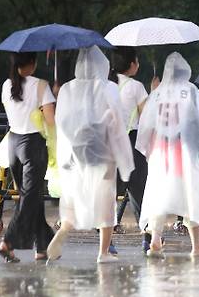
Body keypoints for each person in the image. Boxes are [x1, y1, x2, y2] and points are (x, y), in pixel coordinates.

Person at [46, 46, 135, 263]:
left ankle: (65, 228)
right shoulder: (109, 88)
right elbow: (118, 122)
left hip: (77, 152)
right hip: (103, 152)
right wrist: (124, 159)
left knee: (77, 197)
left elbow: (61, 122)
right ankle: (103, 253)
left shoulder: (67, 89)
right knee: (105, 201)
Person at [136, 52, 199, 258]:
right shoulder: (190, 91)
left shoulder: (157, 93)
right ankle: (196, 245)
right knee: (191, 193)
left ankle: (155, 240)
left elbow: (146, 124)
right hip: (184, 150)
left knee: (159, 194)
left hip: (160, 152)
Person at [0, 52, 55, 262]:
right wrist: (53, 97)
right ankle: (9, 240)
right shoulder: (41, 85)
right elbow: (50, 120)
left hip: (13, 144)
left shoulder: (6, 85)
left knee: (31, 196)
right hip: (33, 145)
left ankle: (42, 247)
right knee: (30, 197)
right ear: (32, 63)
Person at [108, 47, 159, 253]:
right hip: (131, 142)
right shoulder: (136, 87)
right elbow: (147, 116)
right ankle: (147, 236)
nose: (138, 64)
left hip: (109, 143)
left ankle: (107, 240)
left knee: (110, 192)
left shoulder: (106, 85)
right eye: (137, 61)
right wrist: (155, 92)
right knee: (139, 191)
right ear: (131, 65)